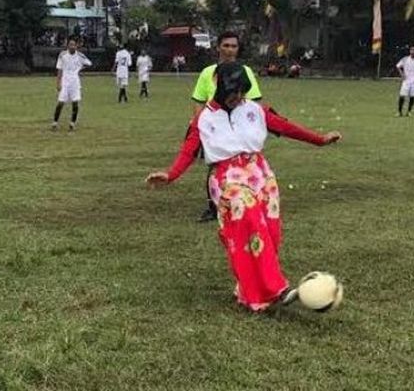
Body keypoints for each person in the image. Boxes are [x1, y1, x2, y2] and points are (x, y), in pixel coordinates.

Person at [146, 62, 341, 312]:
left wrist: (320, 139)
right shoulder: (203, 119)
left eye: (241, 91)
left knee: (269, 232)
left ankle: (252, 290)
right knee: (247, 215)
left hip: (260, 174)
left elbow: (287, 127)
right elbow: (188, 151)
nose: (237, 96)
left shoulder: (256, 110)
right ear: (219, 84)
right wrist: (170, 175)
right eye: (233, 90)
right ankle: (277, 289)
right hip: (227, 177)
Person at [192, 31, 262, 223]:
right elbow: (198, 100)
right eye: (226, 45)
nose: (230, 50)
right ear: (218, 47)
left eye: (234, 46)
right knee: (215, 166)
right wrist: (200, 126)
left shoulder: (245, 71)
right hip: (215, 127)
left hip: (237, 128)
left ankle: (247, 200)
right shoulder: (207, 73)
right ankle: (214, 206)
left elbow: (255, 102)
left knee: (244, 165)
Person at [51, 38, 92, 132]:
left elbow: (89, 63)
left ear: (76, 46)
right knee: (61, 102)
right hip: (65, 82)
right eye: (70, 45)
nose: (72, 46)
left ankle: (72, 123)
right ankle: (55, 122)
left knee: (75, 102)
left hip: (75, 82)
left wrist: (80, 68)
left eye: (74, 45)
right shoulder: (63, 55)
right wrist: (58, 83)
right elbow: (59, 70)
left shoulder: (80, 56)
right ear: (67, 46)